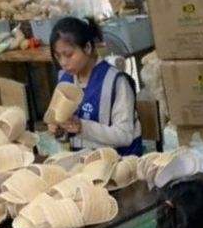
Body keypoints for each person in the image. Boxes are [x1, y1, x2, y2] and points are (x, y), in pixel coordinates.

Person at [48, 16, 142, 156]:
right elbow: (66, 137)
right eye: (58, 56)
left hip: (120, 161)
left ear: (87, 47)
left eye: (68, 55)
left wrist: (82, 127)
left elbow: (125, 136)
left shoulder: (116, 82)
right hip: (82, 161)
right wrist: (60, 131)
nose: (63, 63)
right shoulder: (65, 80)